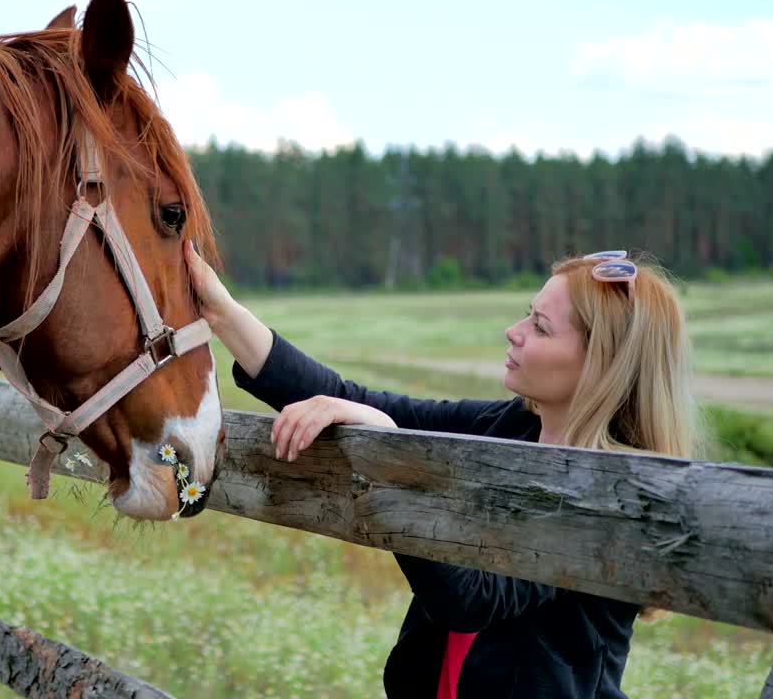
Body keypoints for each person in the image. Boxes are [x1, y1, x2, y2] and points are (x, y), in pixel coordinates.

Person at [183, 241, 703, 699]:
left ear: (600, 364)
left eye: (540, 326)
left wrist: (388, 451)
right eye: (528, 313)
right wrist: (224, 313)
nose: (514, 331)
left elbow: (470, 598)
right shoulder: (510, 425)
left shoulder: (611, 493)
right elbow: (347, 399)